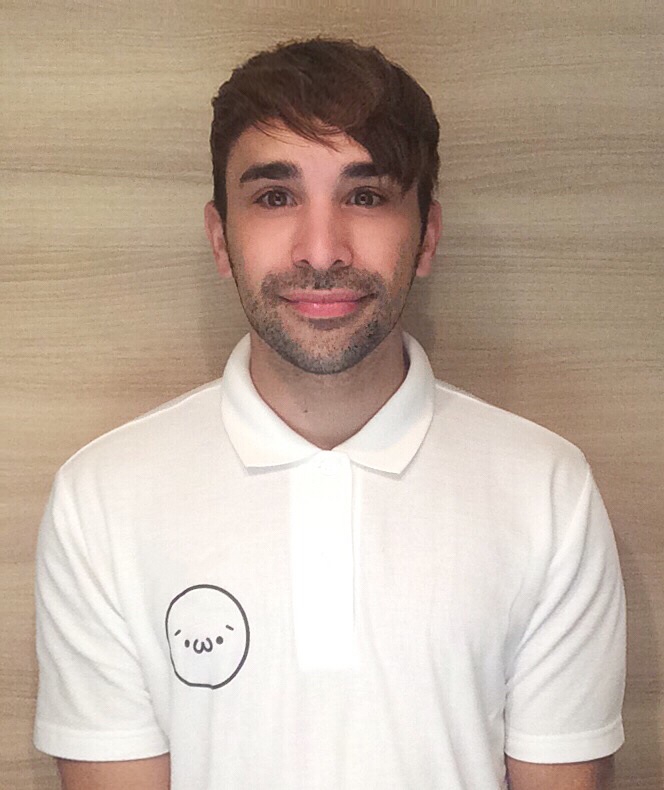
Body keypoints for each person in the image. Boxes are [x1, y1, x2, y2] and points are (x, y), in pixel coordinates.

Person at [34, 38, 626, 790]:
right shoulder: (101, 499)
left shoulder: (548, 492)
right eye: (275, 197)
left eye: (366, 196)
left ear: (427, 237)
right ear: (220, 240)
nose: (321, 251)